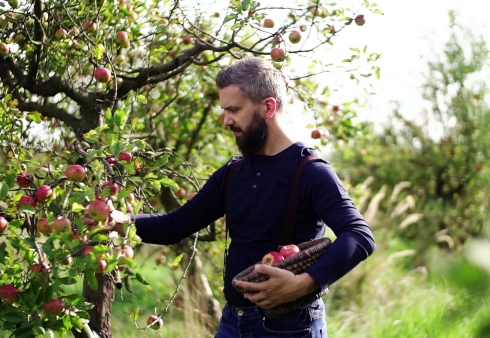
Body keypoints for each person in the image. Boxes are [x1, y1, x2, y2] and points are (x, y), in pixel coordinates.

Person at [98, 57, 375, 337]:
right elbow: (175, 226)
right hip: (234, 322)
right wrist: (121, 221)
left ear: (268, 107)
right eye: (224, 110)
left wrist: (305, 283)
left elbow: (359, 235)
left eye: (234, 110)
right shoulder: (234, 172)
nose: (226, 120)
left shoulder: (310, 171)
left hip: (291, 326)